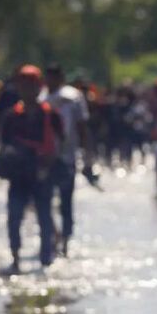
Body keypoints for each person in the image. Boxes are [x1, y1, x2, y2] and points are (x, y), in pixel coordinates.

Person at [0, 65, 59, 272]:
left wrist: (49, 165)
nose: (27, 89)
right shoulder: (12, 116)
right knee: (14, 216)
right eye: (23, 85)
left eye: (31, 85)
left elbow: (58, 144)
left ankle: (46, 261)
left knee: (44, 217)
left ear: (39, 87)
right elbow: (4, 145)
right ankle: (16, 259)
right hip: (18, 175)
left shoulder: (49, 115)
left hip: (42, 174)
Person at [42, 64, 91, 258]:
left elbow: (82, 127)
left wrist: (87, 155)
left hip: (67, 157)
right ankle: (55, 235)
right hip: (45, 158)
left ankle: (65, 241)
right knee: (43, 201)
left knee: (65, 202)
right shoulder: (40, 97)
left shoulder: (73, 97)